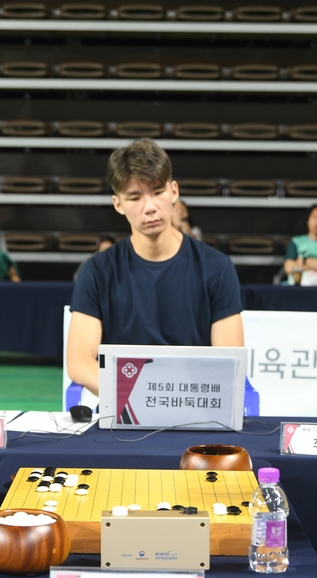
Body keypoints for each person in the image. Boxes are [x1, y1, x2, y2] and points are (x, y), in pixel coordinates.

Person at [67, 138, 244, 397]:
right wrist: (144, 398)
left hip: (196, 411)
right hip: (122, 413)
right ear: (118, 204)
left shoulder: (217, 268)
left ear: (174, 191)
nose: (149, 208)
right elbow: (79, 363)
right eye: (135, 197)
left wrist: (167, 398)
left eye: (158, 192)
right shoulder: (97, 271)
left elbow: (230, 364)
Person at [282, 203, 317, 286]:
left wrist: (304, 260)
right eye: (314, 217)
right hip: (296, 287)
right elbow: (288, 267)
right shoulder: (295, 242)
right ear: (308, 221)